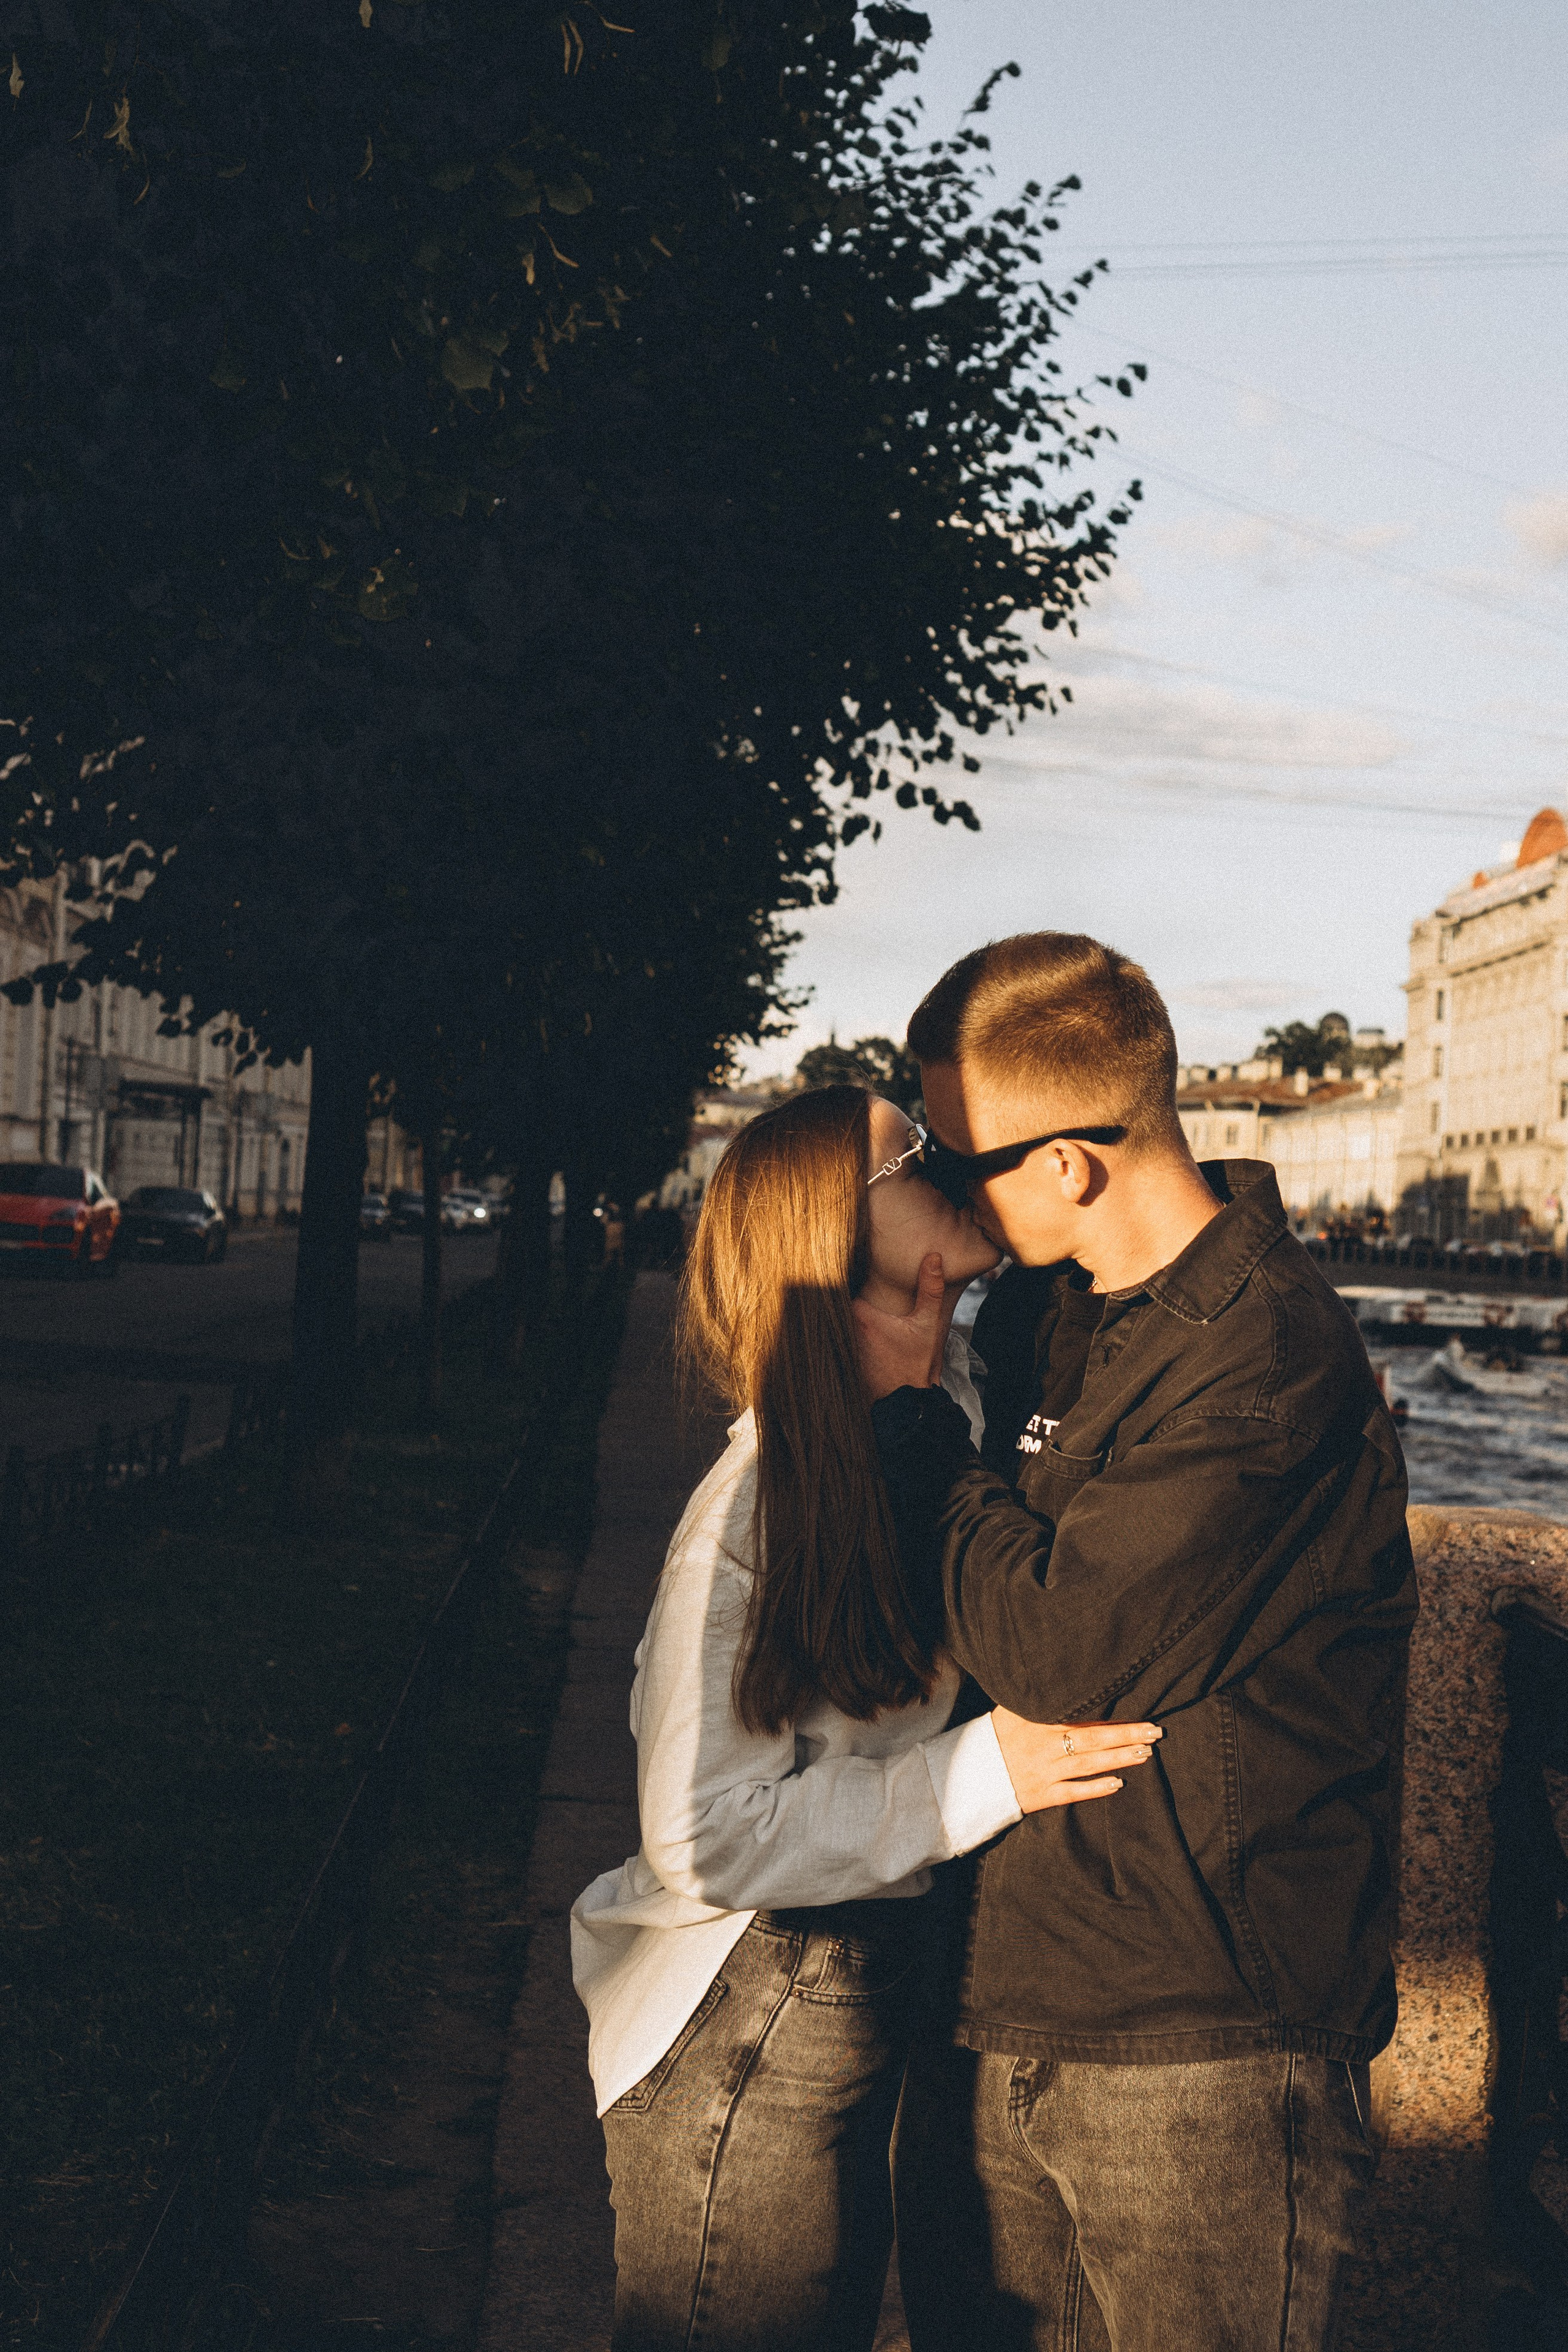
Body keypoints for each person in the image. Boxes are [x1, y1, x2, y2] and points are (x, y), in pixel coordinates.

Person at [852, 933, 1418, 2352]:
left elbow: (1060, 1647)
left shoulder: (1267, 1357)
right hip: (994, 1995)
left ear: (1066, 1163)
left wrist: (915, 1433)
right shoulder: (1045, 1306)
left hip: (1202, 2047)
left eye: (950, 1151)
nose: (931, 1181)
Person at [571, 1084, 1163, 2352]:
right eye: (919, 1156)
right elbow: (700, 1833)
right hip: (748, 2012)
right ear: (832, 1231)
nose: (956, 1169)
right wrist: (980, 1775)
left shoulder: (934, 1412)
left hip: (832, 2009)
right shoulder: (759, 1501)